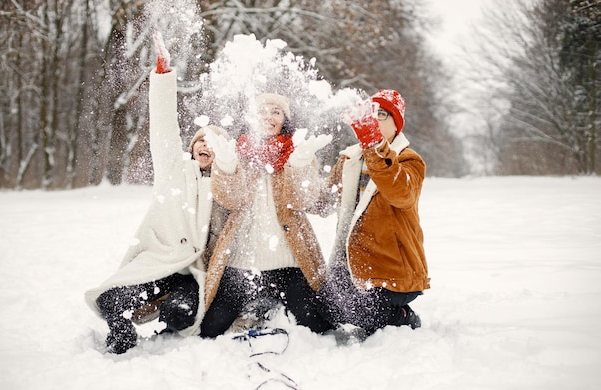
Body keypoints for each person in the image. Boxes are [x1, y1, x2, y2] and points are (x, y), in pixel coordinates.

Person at [84, 33, 228, 354]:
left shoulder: (225, 188)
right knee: (110, 299)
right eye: (201, 139)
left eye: (215, 142)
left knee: (180, 316)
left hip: (191, 273)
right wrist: (163, 79)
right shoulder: (173, 172)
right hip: (158, 263)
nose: (206, 145)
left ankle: (166, 308)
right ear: (193, 147)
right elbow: (163, 130)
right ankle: (124, 331)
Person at [199, 93, 334, 337]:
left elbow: (301, 200)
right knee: (211, 327)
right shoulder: (236, 152)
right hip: (241, 264)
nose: (269, 117)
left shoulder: (298, 151)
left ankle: (271, 305)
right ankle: (258, 303)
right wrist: (227, 166)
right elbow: (229, 199)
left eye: (276, 112)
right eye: (263, 111)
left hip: (288, 263)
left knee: (317, 324)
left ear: (285, 120)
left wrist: (300, 166)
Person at [315, 89, 430, 338]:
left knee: (364, 313)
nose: (375, 119)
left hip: (393, 269)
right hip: (352, 264)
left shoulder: (410, 161)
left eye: (382, 114)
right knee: (316, 310)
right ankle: (375, 309)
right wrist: (299, 167)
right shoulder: (349, 159)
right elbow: (321, 204)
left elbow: (401, 193)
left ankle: (402, 316)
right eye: (371, 114)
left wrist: (373, 145)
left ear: (396, 123)